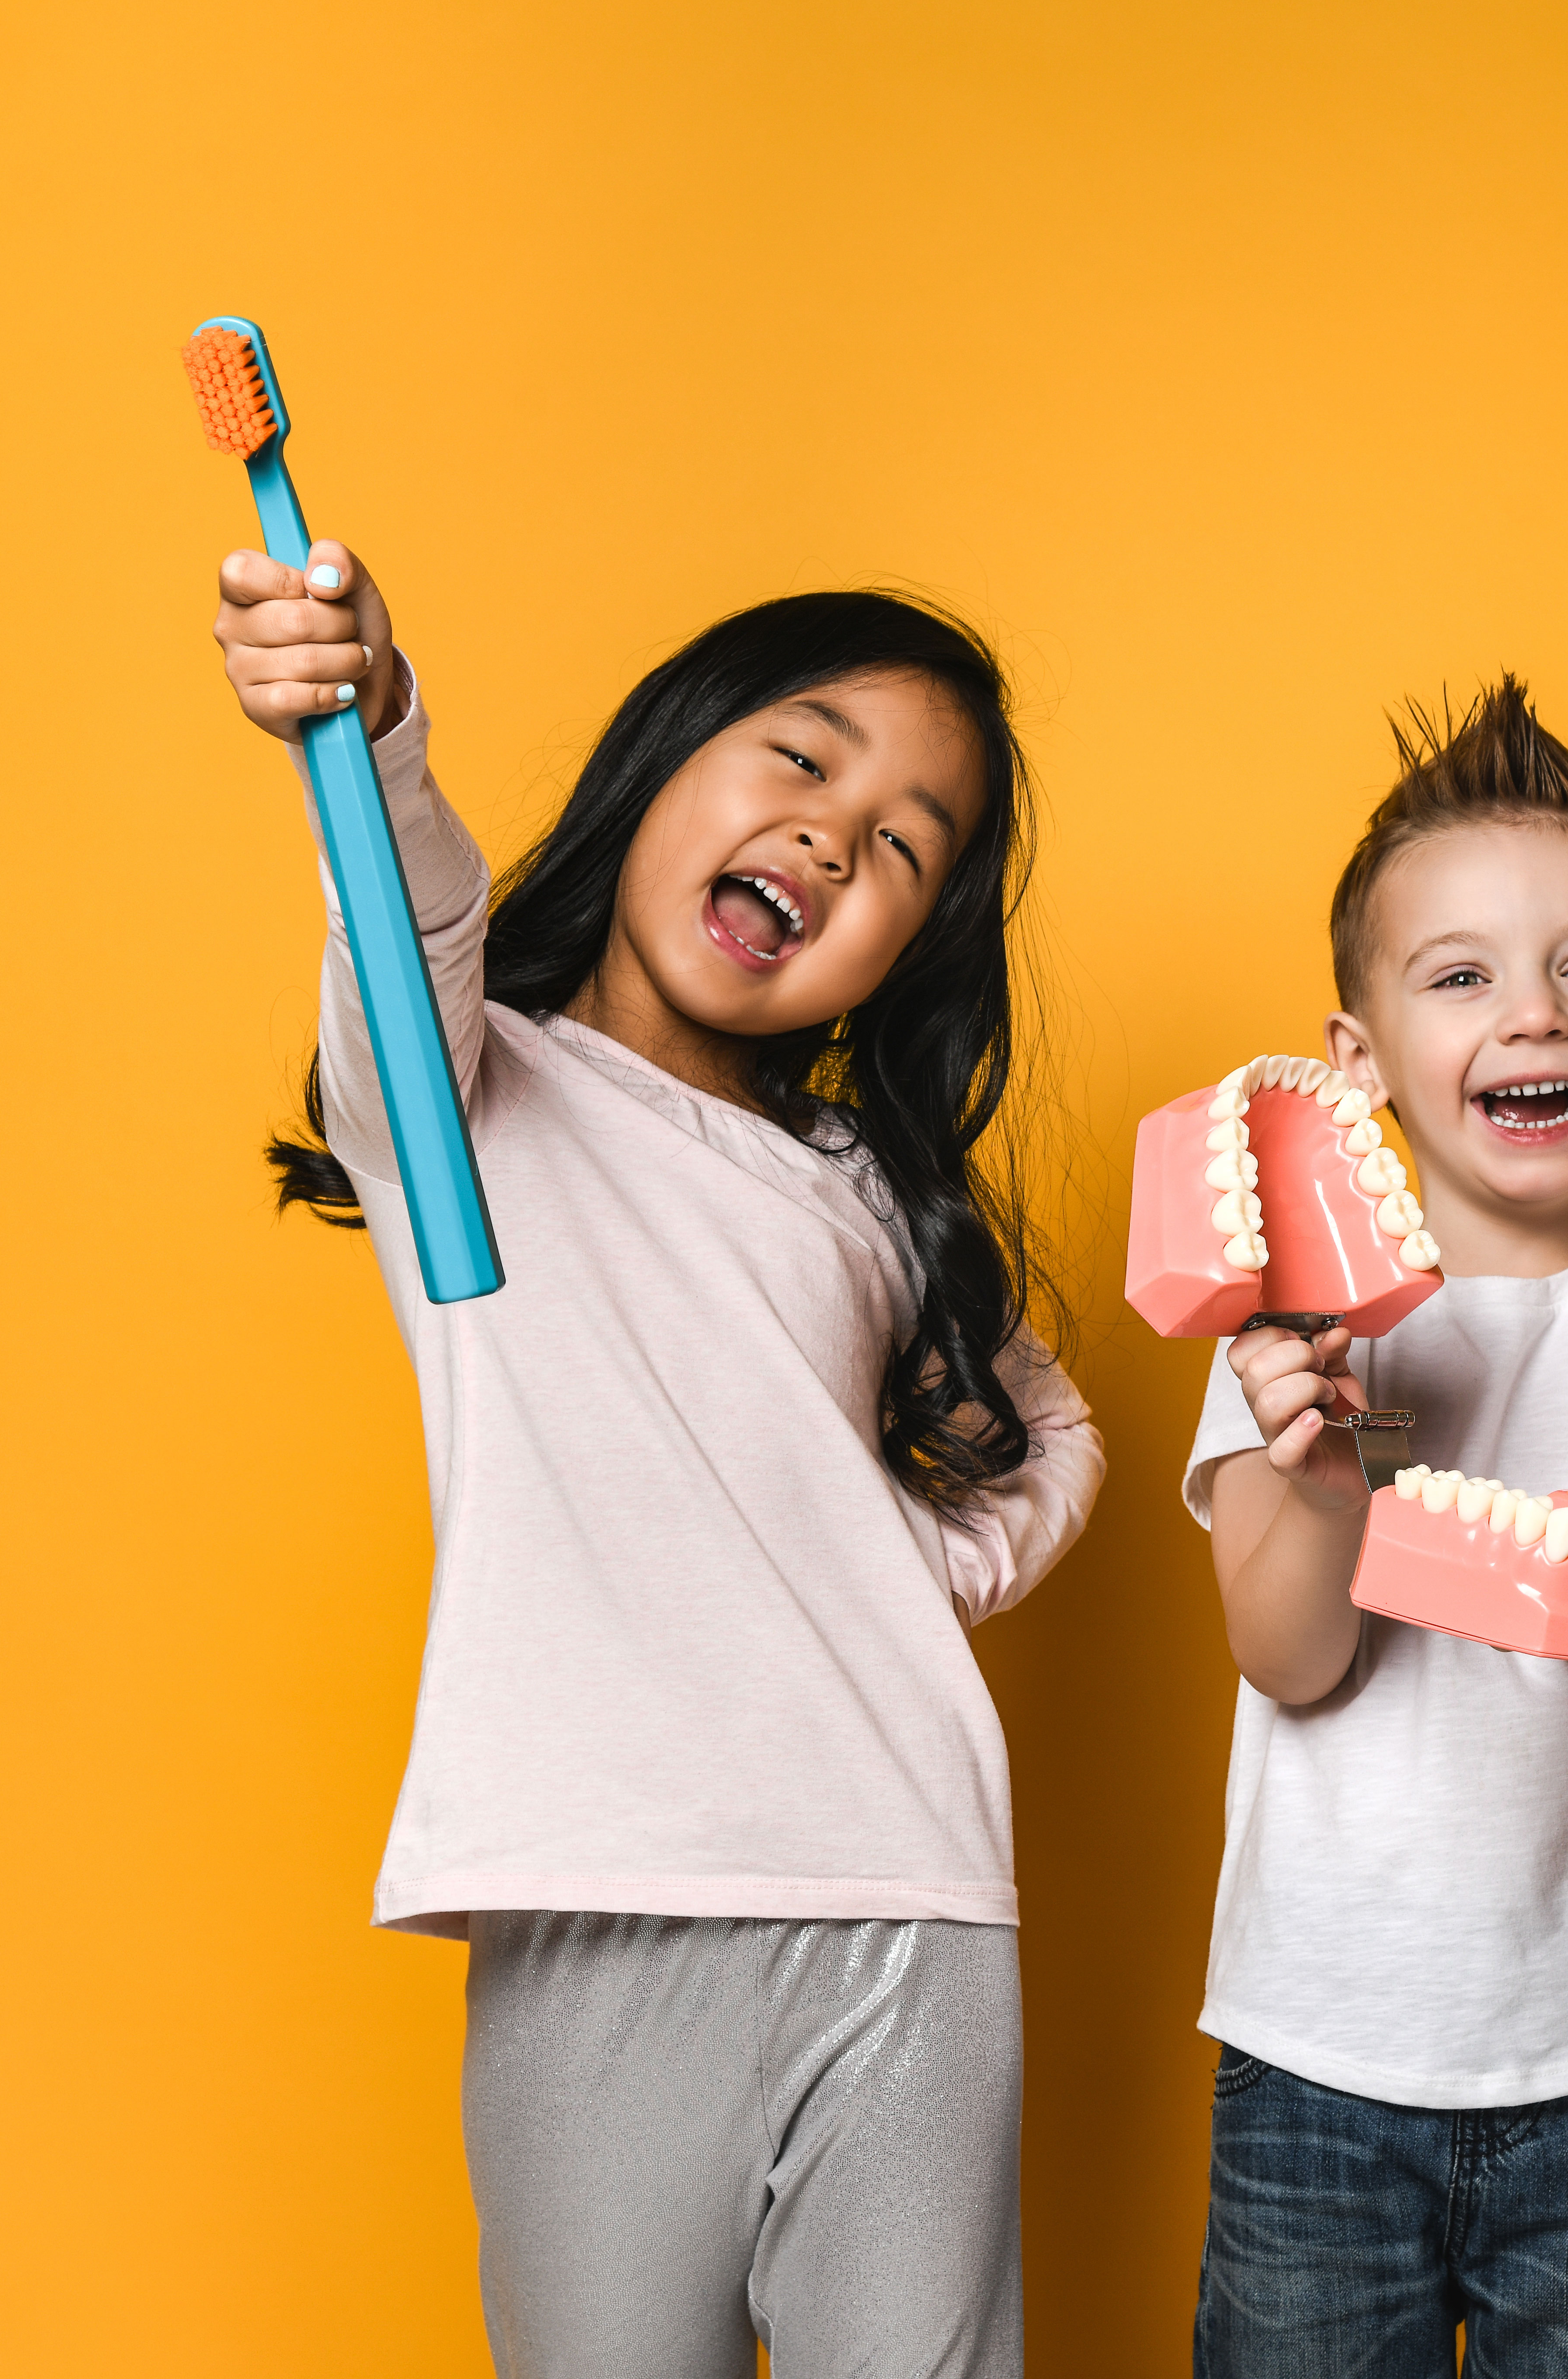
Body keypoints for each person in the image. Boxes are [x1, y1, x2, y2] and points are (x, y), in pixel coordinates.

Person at [207, 540, 1102, 2379]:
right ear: (664, 760)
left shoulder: (868, 1192)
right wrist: (375, 731)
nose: (841, 836)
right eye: (804, 758)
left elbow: (1058, 1427)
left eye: (908, 844)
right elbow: (413, 914)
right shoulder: (458, 1098)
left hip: (908, 1899)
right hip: (595, 1904)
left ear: (906, 951)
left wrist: (912, 1567)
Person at [1184, 680, 1568, 2378]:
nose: (1532, 1012)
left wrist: (1389, 1480)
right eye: (1462, 975)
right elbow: (1292, 1656)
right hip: (1317, 2056)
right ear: (1357, 1058)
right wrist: (1321, 1462)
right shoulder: (1289, 1327)